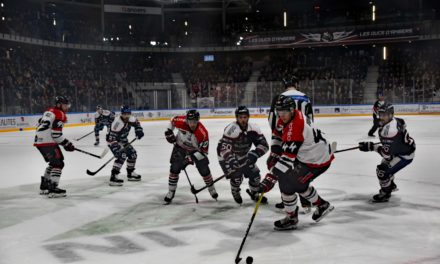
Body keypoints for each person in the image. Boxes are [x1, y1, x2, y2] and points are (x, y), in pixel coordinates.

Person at [259, 95, 335, 230]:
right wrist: (274, 153)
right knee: (296, 183)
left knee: (287, 183)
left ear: (292, 109)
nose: (281, 115)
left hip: (317, 161)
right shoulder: (291, 116)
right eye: (279, 112)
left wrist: (270, 178)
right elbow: (277, 135)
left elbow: (287, 160)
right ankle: (322, 205)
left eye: (284, 112)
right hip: (313, 154)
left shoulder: (295, 127)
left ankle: (292, 218)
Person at [268, 74, 314, 212]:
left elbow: (272, 119)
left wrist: (278, 137)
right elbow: (310, 120)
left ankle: (287, 201)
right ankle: (306, 202)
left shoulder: (279, 97)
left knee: (284, 168)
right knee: (302, 168)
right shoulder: (305, 97)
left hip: (285, 137)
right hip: (303, 138)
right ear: (296, 84)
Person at [359, 103, 415, 202]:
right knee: (385, 163)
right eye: (381, 114)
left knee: (382, 171)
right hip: (401, 149)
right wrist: (394, 143)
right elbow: (402, 124)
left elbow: (386, 154)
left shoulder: (389, 131)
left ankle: (385, 193)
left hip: (405, 155)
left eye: (385, 115)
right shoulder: (395, 120)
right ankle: (391, 184)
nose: (382, 117)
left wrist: (371, 146)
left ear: (391, 115)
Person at [217, 106, 269, 204]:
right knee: (237, 177)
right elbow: (223, 149)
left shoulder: (254, 128)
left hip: (243, 155)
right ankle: (235, 190)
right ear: (237, 118)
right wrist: (231, 160)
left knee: (255, 175)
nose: (243, 120)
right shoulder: (231, 129)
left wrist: (255, 154)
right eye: (240, 117)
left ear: (248, 117)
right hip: (226, 156)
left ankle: (254, 193)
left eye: (245, 117)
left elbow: (264, 145)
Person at [164, 110, 218, 204]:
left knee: (204, 168)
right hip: (180, 147)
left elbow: (203, 152)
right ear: (186, 120)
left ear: (198, 120)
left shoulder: (203, 133)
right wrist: (169, 132)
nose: (192, 124)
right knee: (175, 167)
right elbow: (172, 121)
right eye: (190, 121)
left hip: (195, 151)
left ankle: (211, 189)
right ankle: (171, 191)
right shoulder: (181, 121)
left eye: (194, 121)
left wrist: (189, 159)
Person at [34, 96, 75, 198]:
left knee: (54, 162)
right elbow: (56, 135)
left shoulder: (49, 111)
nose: (67, 107)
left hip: (39, 141)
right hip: (48, 142)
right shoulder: (59, 114)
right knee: (59, 163)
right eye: (65, 105)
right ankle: (53, 188)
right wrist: (67, 144)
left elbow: (41, 122)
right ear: (59, 105)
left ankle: (45, 186)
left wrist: (64, 144)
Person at [106, 105, 144, 186]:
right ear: (121, 114)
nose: (126, 115)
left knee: (133, 154)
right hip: (113, 141)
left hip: (124, 140)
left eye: (128, 114)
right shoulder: (117, 123)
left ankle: (130, 173)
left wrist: (139, 131)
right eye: (124, 114)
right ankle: (114, 176)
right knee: (121, 155)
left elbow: (137, 124)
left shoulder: (131, 118)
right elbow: (111, 138)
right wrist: (115, 149)